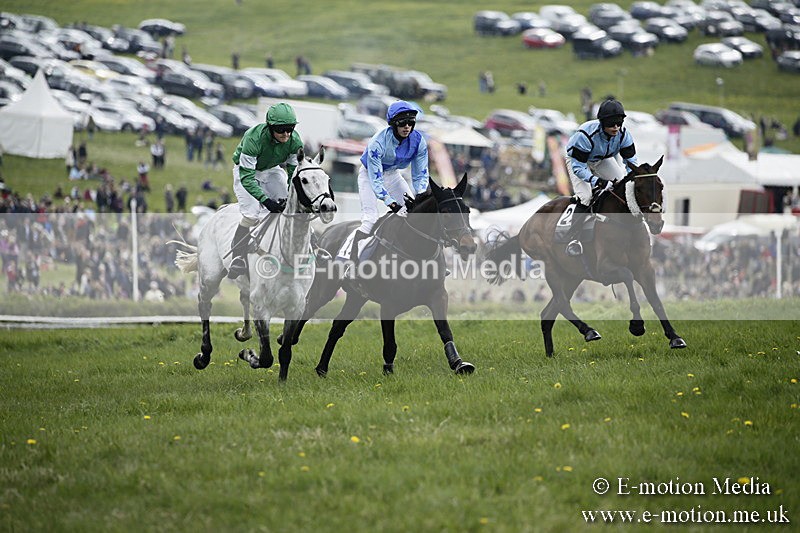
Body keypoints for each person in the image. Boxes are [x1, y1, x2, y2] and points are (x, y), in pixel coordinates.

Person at [228, 102, 303, 278]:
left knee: (290, 206)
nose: (286, 134)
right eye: (281, 129)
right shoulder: (253, 138)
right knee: (251, 214)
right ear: (270, 127)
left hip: (271, 169)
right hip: (246, 171)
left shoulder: (295, 141)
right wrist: (266, 201)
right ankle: (237, 256)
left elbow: (293, 173)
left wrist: (291, 196)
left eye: (290, 129)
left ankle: (311, 243)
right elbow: (247, 178)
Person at [352, 100, 429, 262]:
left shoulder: (419, 141)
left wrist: (421, 196)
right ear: (393, 124)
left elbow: (420, 175)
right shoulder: (377, 142)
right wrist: (392, 204)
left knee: (414, 214)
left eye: (410, 122)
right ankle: (350, 261)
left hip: (393, 175)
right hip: (370, 176)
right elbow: (376, 181)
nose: (407, 127)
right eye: (402, 123)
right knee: (370, 219)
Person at [563, 98, 638, 257]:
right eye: (611, 124)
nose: (616, 127)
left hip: (602, 159)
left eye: (619, 123)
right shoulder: (585, 135)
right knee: (586, 196)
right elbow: (579, 168)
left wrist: (633, 178)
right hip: (579, 162)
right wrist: (597, 181)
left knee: (621, 187)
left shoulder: (623, 134)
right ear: (602, 123)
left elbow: (631, 162)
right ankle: (573, 238)